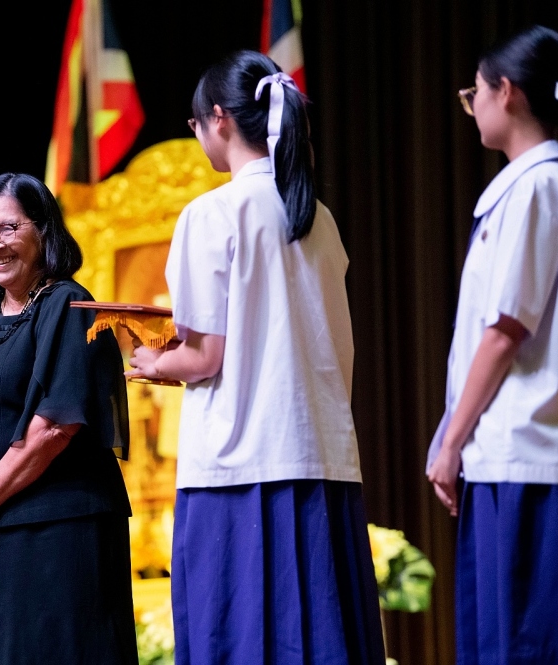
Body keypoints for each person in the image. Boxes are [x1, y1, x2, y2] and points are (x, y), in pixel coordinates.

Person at [128, 51, 385, 664]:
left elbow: (204, 356)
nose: (197, 135)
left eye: (195, 123)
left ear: (218, 119)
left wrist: (152, 362)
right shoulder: (318, 217)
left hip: (238, 469)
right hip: (319, 461)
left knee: (240, 640)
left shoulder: (213, 212)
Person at [0, 173, 137, 665]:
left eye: (8, 229)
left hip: (59, 529)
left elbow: (54, 427)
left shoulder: (70, 305)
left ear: (43, 230)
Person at [426, 25, 558, 663]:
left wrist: (450, 442)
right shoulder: (526, 187)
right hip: (502, 456)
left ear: (505, 92)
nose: (474, 104)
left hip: (524, 455)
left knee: (523, 644)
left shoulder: (539, 187)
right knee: (495, 641)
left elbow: (506, 329)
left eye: (474, 93)